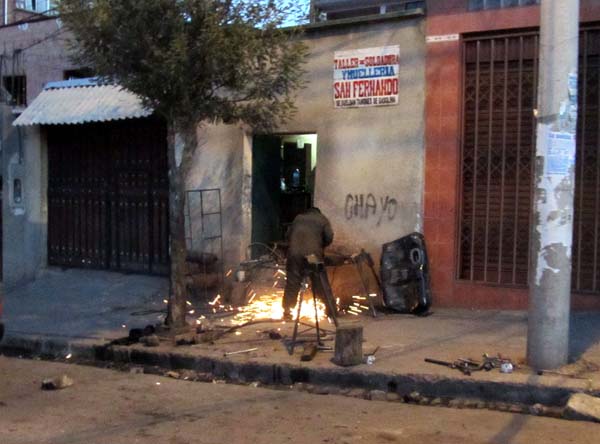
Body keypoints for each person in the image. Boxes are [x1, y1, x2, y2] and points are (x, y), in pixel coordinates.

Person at [282, 207, 334, 320]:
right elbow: (329, 237)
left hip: (294, 254)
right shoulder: (322, 219)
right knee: (320, 281)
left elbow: (287, 236)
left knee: (292, 282)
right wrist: (320, 247)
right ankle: (331, 311)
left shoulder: (298, 218)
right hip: (312, 256)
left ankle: (287, 311)